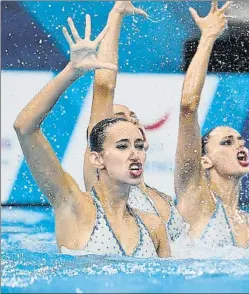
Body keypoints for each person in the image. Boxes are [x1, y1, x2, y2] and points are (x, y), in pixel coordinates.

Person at [13, 15, 170, 257]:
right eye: (122, 146)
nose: (134, 153)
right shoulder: (72, 204)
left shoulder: (153, 226)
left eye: (138, 145)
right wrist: (71, 72)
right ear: (96, 158)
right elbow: (25, 128)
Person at [82, 1, 191, 250]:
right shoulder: (98, 177)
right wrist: (117, 15)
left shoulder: (163, 199)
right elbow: (104, 87)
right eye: (119, 119)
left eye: (133, 117)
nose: (130, 121)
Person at [174, 0, 249, 248]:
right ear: (205, 160)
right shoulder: (195, 199)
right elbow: (188, 107)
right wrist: (207, 38)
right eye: (227, 142)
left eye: (241, 141)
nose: (240, 146)